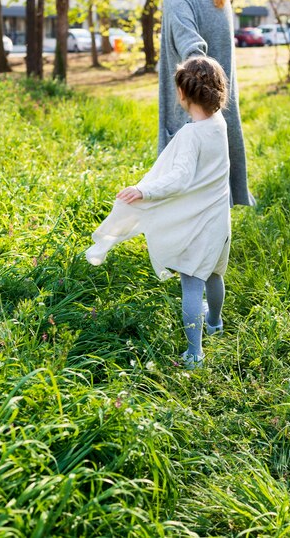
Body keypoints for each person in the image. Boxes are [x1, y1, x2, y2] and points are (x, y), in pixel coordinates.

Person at [86, 57, 231, 370]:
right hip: (219, 219)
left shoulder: (192, 135)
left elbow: (179, 179)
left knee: (192, 285)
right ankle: (215, 323)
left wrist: (144, 191)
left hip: (198, 222)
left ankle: (195, 353)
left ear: (182, 93)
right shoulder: (220, 125)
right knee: (215, 273)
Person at [153, 0, 254, 207]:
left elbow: (193, 47)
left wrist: (193, 92)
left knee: (186, 178)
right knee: (216, 167)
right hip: (221, 101)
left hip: (193, 104)